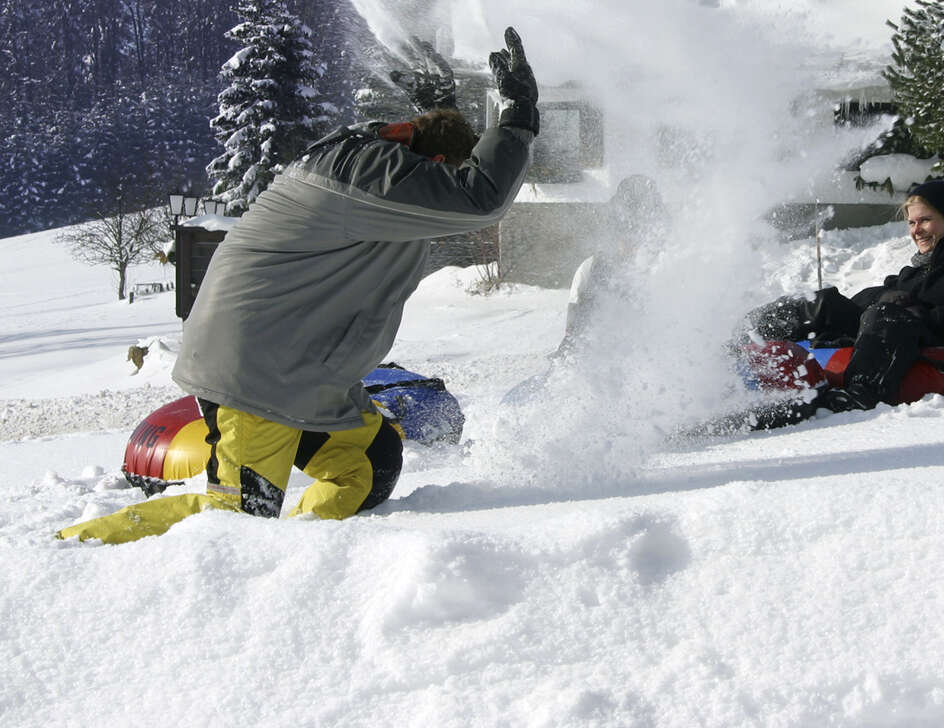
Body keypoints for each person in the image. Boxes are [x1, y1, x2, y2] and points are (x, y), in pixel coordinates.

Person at [58, 28, 540, 544]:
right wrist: (515, 115)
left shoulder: (380, 169)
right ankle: (75, 550)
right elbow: (479, 198)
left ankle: (301, 553)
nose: (440, 200)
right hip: (257, 370)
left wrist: (441, 108)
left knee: (366, 467)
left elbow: (440, 166)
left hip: (302, 375)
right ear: (436, 167)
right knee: (235, 517)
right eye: (446, 175)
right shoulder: (367, 174)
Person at [742, 179, 944, 423]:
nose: (916, 230)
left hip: (933, 337)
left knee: (886, 313)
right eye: (911, 222)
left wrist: (923, 314)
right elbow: (877, 299)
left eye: (925, 220)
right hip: (893, 327)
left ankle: (860, 394)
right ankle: (737, 344)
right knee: (822, 301)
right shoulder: (917, 269)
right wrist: (882, 298)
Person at [553, 174, 668, 360]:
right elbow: (574, 336)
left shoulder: (669, 271)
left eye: (640, 235)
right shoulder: (591, 270)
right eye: (625, 235)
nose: (633, 245)